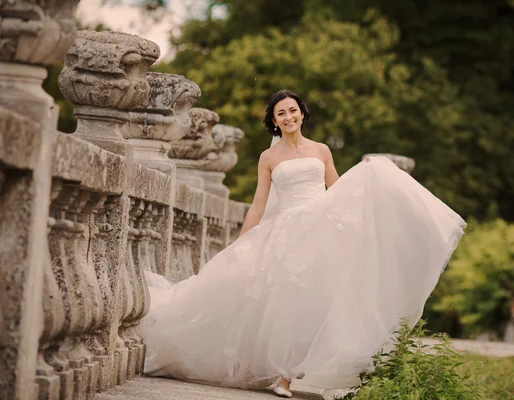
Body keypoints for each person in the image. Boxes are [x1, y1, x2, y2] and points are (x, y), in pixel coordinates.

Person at [137, 90, 466, 398]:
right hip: (287, 233)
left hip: (322, 230)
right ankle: (283, 375)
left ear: (302, 114)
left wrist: (362, 176)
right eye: (281, 113)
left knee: (319, 297)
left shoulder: (321, 150)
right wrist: (241, 242)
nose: (289, 116)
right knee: (286, 300)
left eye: (293, 110)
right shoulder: (268, 157)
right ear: (274, 120)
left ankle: (291, 371)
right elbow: (258, 204)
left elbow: (337, 190)